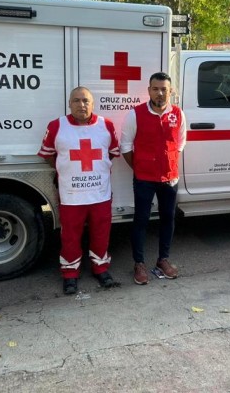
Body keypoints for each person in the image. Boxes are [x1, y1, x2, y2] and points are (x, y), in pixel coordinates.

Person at [38, 87, 120, 295]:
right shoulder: (57, 126)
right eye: (76, 100)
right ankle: (70, 274)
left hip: (100, 193)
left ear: (92, 104)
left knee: (101, 232)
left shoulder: (106, 125)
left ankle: (101, 269)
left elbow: (111, 154)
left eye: (86, 101)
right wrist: (66, 170)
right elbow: (49, 155)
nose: (81, 105)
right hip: (71, 194)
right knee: (70, 236)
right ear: (69, 104)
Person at [121, 72, 187, 285]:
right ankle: (139, 263)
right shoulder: (135, 114)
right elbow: (125, 147)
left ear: (170, 91)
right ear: (149, 90)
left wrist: (167, 163)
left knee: (168, 219)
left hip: (169, 178)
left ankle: (163, 260)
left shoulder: (178, 114)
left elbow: (180, 143)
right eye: (155, 88)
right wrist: (140, 167)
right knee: (141, 220)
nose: (160, 93)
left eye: (164, 89)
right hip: (144, 178)